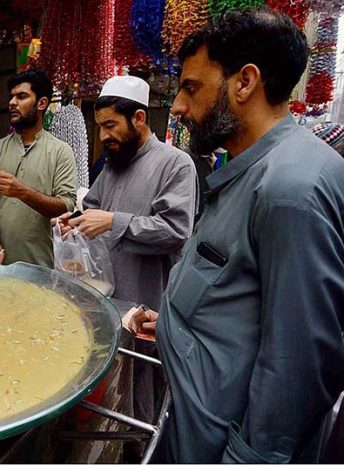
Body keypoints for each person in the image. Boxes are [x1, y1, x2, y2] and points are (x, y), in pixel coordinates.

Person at [135, 9, 344, 462]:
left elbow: (299, 366)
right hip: (194, 426)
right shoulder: (248, 170)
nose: (178, 107)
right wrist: (176, 323)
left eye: (191, 87)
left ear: (244, 82)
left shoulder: (291, 189)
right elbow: (238, 294)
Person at [57, 75, 198, 311]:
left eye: (110, 126)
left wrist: (113, 221)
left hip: (146, 304)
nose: (102, 136)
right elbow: (91, 211)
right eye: (100, 127)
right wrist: (73, 223)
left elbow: (176, 232)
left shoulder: (175, 164)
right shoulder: (112, 165)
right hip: (102, 298)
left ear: (138, 118)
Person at [0, 70, 77, 267]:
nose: (12, 103)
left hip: (41, 266)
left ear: (42, 103)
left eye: (21, 96)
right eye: (11, 97)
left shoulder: (61, 152)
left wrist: (23, 192)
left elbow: (66, 205)